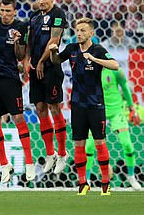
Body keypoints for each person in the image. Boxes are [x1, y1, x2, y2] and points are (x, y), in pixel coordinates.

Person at [49, 18, 119, 196]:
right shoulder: (72, 49)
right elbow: (57, 61)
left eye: (82, 30)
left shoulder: (98, 50)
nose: (79, 33)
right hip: (78, 105)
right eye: (77, 30)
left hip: (96, 105)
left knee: (99, 143)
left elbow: (115, 65)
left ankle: (105, 184)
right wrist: (53, 52)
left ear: (91, 33)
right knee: (78, 144)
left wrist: (94, 59)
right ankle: (82, 184)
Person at [0, 0, 35, 183]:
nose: (4, 14)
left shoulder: (20, 28)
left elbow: (20, 56)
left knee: (18, 117)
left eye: (8, 11)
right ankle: (5, 164)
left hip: (11, 79)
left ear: (14, 12)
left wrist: (19, 42)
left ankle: (29, 162)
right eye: (2, 11)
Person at [27, 0, 69, 174]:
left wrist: (42, 61)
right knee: (40, 109)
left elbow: (54, 41)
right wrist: (28, 60)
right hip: (36, 68)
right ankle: (50, 153)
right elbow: (29, 41)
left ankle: (62, 153)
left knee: (54, 107)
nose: (41, 1)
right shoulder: (34, 17)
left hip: (51, 67)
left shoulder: (58, 14)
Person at [85, 68, 142, 190]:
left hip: (116, 111)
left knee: (127, 144)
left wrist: (132, 108)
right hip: (98, 110)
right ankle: (87, 179)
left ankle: (131, 177)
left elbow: (125, 88)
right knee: (89, 146)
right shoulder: (89, 70)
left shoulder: (115, 70)